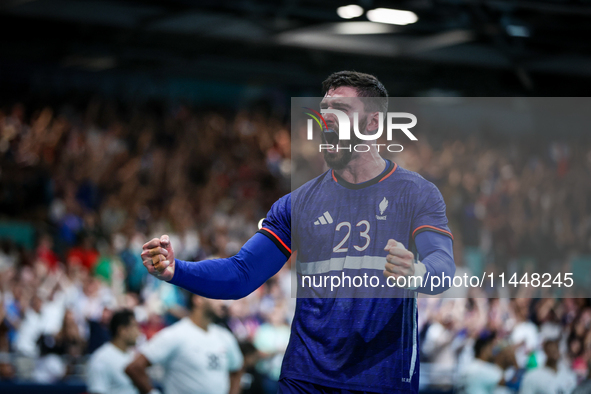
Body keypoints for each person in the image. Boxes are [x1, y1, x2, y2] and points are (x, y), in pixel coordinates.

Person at [141, 71, 455, 393]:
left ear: (373, 123)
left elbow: (442, 268)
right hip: (306, 378)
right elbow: (241, 274)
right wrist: (176, 270)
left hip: (381, 378)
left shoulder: (416, 193)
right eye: (324, 111)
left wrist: (417, 272)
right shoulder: (297, 204)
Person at [125, 294, 243, 394]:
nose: (222, 303)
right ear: (198, 298)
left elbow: (237, 370)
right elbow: (134, 368)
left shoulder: (225, 336)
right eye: (216, 296)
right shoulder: (175, 334)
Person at [87, 309, 140, 394]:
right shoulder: (101, 359)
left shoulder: (134, 356)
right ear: (122, 330)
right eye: (134, 326)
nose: (138, 333)